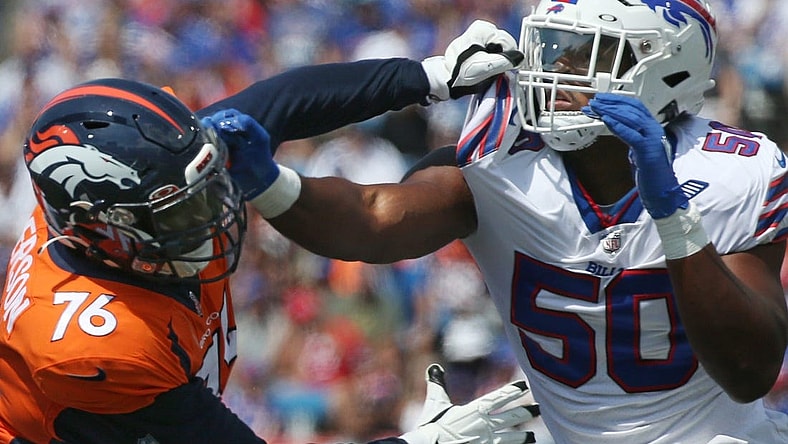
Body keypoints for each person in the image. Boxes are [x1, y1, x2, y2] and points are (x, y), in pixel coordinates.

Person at [209, 1, 788, 443]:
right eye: (555, 46)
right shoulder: (502, 153)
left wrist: (673, 218)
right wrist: (274, 183)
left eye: (586, 52)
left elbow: (748, 370)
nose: (557, 66)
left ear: (664, 70)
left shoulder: (736, 172)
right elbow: (373, 219)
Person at [0, 24, 540, 443]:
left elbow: (277, 104)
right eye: (177, 213)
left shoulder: (130, 189)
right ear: (103, 230)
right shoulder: (96, 348)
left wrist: (427, 76)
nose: (211, 215)